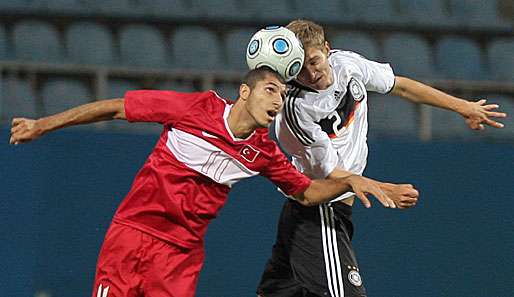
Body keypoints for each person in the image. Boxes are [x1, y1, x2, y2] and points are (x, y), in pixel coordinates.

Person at [9, 67, 418, 297]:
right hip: (133, 236)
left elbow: (307, 192)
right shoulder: (195, 108)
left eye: (281, 96)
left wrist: (356, 183)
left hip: (181, 256)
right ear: (245, 92)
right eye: (270, 91)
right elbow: (117, 107)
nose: (277, 102)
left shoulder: (263, 152)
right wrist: (42, 125)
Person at [257, 20, 507, 297]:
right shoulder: (295, 109)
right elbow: (330, 175)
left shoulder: (347, 65)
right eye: (299, 68)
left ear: (327, 49)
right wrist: (385, 190)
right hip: (320, 211)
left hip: (320, 211)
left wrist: (463, 107)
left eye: (314, 61)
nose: (309, 73)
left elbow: (400, 86)